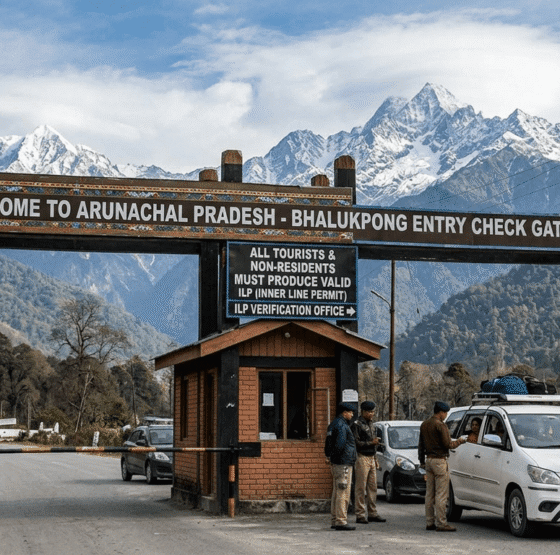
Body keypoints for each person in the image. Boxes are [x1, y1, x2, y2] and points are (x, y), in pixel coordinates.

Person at [418, 401, 467, 532]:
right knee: (441, 494)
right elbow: (448, 444)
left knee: (429, 494)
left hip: (428, 461)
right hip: (440, 461)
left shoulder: (425, 424)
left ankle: (429, 522)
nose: (446, 415)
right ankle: (441, 523)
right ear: (441, 412)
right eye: (445, 413)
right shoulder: (441, 425)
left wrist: (422, 461)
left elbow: (420, 445)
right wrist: (461, 441)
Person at [351, 400, 386, 524]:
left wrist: (376, 458)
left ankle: (372, 512)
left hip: (371, 457)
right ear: (364, 411)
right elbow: (356, 443)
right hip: (362, 457)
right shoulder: (357, 424)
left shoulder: (372, 424)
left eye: (373, 412)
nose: (372, 414)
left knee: (373, 487)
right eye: (370, 412)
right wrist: (371, 443)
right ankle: (360, 514)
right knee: (360, 487)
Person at [325, 402, 357, 531]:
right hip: (343, 463)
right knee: (343, 492)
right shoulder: (342, 425)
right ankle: (341, 521)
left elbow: (328, 444)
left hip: (336, 463)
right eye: (351, 412)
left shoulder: (333, 424)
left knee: (336, 492)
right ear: (345, 412)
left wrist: (329, 457)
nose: (352, 415)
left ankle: (335, 519)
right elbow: (340, 445)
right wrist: (335, 457)